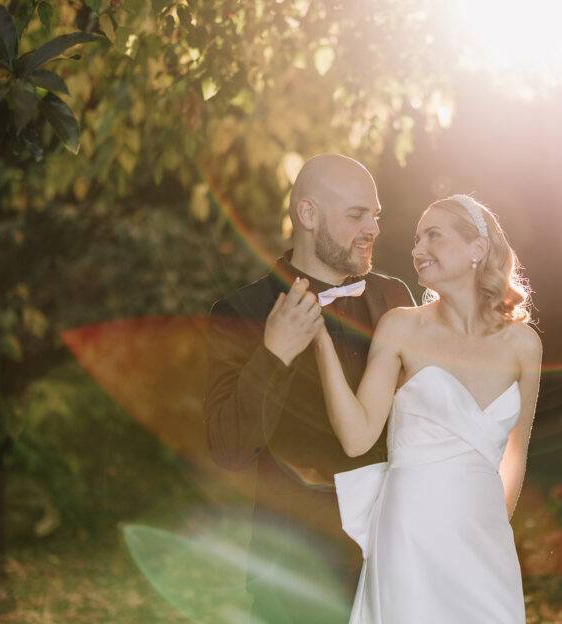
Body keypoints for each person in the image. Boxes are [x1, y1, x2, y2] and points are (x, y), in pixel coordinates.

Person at [203, 154, 414, 624]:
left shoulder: (397, 300)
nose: (372, 228)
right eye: (356, 215)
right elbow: (229, 450)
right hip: (293, 579)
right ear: (308, 214)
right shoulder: (240, 311)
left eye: (375, 215)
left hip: (393, 562)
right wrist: (272, 355)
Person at [311, 194, 541, 623]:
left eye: (433, 236)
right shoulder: (401, 326)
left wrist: (491, 525)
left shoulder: (525, 344)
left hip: (484, 534)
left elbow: (515, 453)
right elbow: (357, 436)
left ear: (478, 248)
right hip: (410, 527)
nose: (417, 250)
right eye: (417, 240)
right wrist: (320, 343)